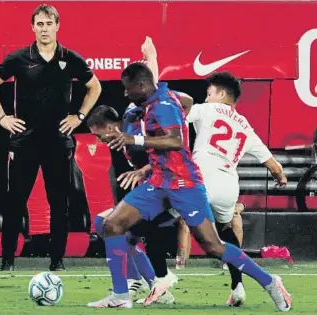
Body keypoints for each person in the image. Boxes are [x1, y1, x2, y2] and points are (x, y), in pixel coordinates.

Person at [87, 63, 292, 311]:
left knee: (213, 245)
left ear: (141, 86)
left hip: (185, 183)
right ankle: (123, 294)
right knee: (111, 225)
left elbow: (175, 140)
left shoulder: (163, 105)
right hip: (159, 182)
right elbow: (186, 99)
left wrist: (134, 138)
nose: (125, 94)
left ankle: (270, 281)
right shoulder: (160, 99)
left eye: (128, 89)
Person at [0, 4, 101, 271]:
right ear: (32, 27)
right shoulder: (19, 58)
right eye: (40, 24)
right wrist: (3, 118)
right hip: (25, 142)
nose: (44, 28)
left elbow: (95, 86)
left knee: (59, 204)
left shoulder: (71, 58)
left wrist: (79, 116)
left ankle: (57, 261)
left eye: (49, 23)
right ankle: (8, 261)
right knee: (15, 203)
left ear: (57, 26)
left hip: (58, 142)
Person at [183, 71, 289, 306]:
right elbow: (274, 165)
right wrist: (280, 177)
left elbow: (177, 115)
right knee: (224, 233)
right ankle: (238, 286)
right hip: (228, 184)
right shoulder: (245, 124)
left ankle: (158, 280)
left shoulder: (206, 109)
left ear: (221, 94)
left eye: (210, 93)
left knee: (156, 216)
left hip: (203, 178)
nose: (207, 97)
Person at [87, 104, 178, 305]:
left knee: (108, 224)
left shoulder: (135, 133)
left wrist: (142, 171)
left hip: (170, 193)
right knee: (110, 226)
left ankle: (130, 289)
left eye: (98, 134)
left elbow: (166, 158)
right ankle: (150, 285)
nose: (99, 140)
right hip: (155, 193)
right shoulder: (128, 135)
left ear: (110, 127)